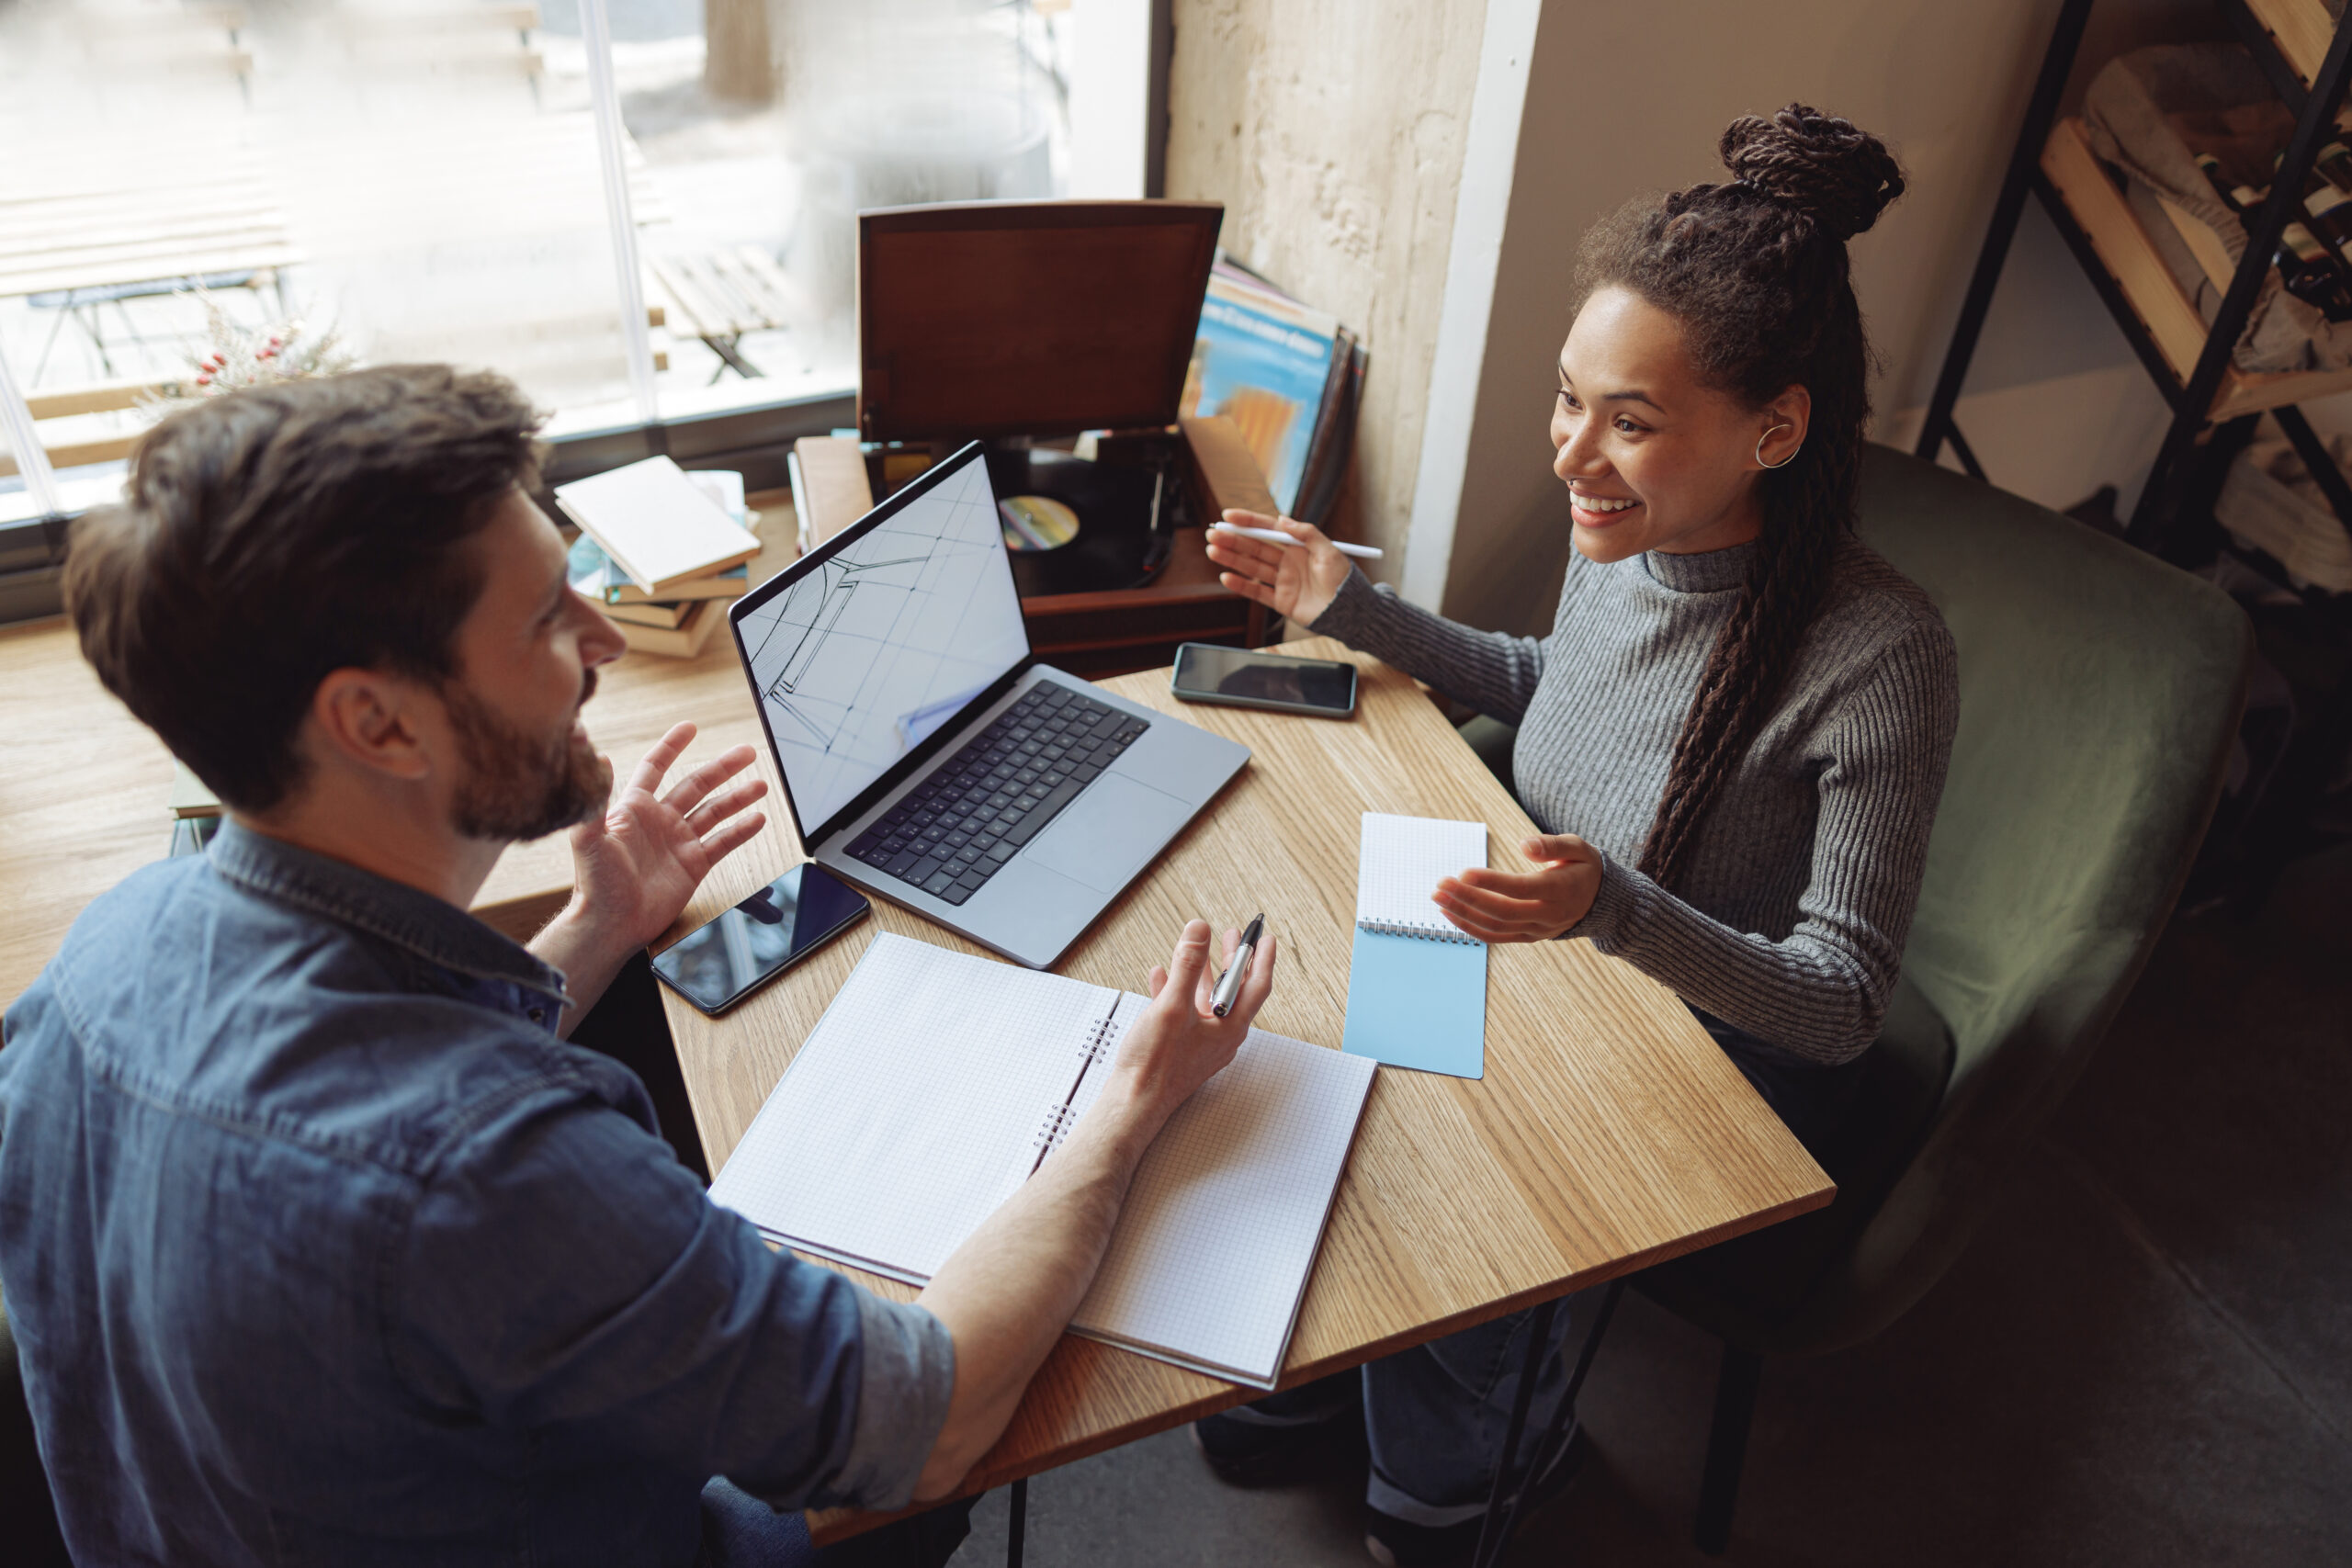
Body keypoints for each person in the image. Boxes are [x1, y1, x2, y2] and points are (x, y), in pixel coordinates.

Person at [0, 365, 1278, 1567]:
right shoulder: (494, 1173)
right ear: (375, 721)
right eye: (545, 618)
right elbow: (924, 1421)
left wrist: (598, 931)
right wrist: (1129, 1104)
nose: (599, 642)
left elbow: (354, 1124)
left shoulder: (109, 949)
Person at [1201, 106, 1959, 1565]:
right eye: (1570, 399)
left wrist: (1613, 911)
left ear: (1774, 430)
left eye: (1629, 419)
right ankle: (1376, 1374)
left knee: (1434, 1198)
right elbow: (1564, 688)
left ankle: (1474, 1462)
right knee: (1301, 1064)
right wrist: (1342, 603)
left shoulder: (1882, 655)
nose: (1571, 455)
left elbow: (1845, 1007)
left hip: (1718, 1044)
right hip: (1554, 935)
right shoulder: (1631, 531)